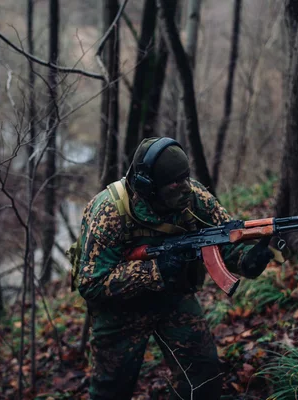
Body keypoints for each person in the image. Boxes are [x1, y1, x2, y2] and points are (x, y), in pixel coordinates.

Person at [74, 137, 274, 400]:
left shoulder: (194, 197)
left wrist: (248, 260)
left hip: (173, 298)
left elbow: (224, 239)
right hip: (119, 312)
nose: (185, 188)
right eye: (175, 183)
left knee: (205, 373)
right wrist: (154, 270)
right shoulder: (109, 213)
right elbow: (90, 283)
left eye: (186, 178)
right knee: (110, 390)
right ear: (148, 187)